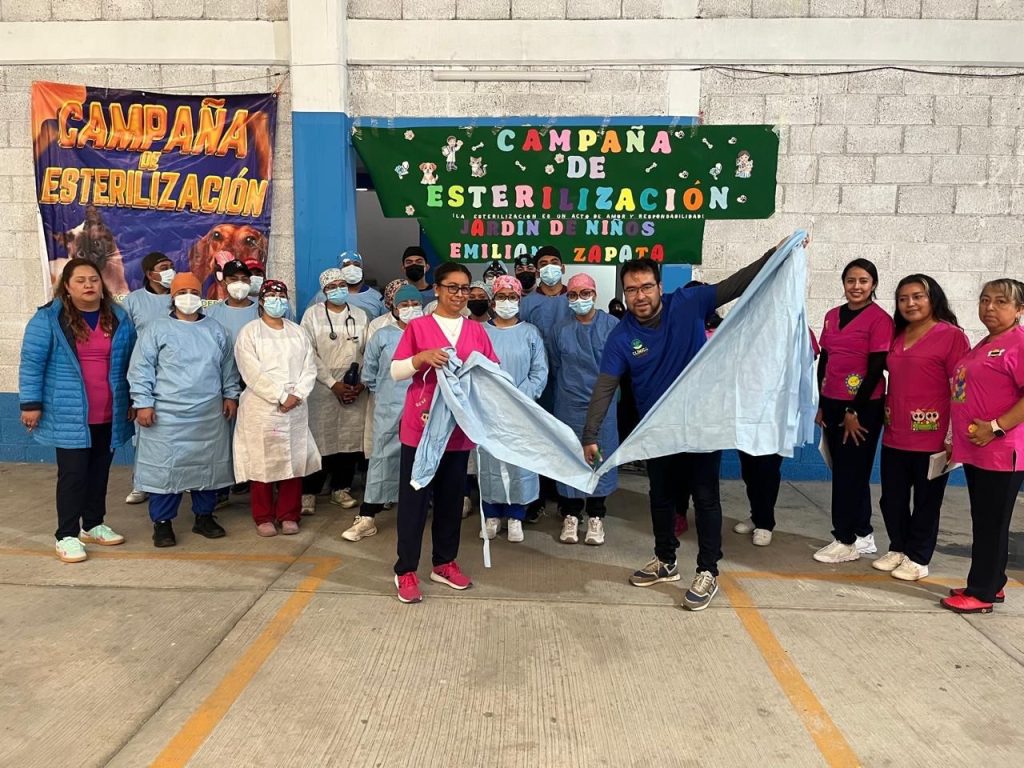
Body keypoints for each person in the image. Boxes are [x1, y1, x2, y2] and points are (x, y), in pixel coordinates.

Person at [582, 236, 801, 611]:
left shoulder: (688, 303)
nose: (639, 296)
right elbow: (605, 386)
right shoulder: (621, 337)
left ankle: (708, 571)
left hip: (701, 423)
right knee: (661, 497)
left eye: (646, 286)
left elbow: (738, 282)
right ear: (624, 293)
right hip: (658, 428)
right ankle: (665, 560)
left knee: (705, 497)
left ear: (659, 286)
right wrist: (590, 434)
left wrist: (778, 252)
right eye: (631, 289)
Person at [390, 262, 499, 603]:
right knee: (414, 502)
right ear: (436, 289)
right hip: (421, 428)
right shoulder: (419, 327)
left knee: (452, 501)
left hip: (457, 430)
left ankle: (444, 562)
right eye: (452, 287)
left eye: (465, 288)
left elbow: (493, 371)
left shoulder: (476, 331)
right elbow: (396, 371)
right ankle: (405, 569)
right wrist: (421, 358)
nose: (459, 294)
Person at [19, 258, 137, 562]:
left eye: (94, 280)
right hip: (69, 413)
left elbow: (131, 363)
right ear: (67, 287)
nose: (88, 285)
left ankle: (93, 524)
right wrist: (31, 404)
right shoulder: (48, 319)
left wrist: (133, 400)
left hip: (108, 412)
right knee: (73, 475)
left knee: (99, 472)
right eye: (81, 281)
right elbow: (31, 364)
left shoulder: (119, 317)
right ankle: (67, 535)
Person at [128, 272, 240, 547]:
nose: (188, 297)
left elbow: (228, 367)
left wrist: (230, 395)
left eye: (193, 292)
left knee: (207, 467)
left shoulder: (216, 330)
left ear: (201, 296)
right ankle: (162, 523)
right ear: (172, 297)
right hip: (166, 414)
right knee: (166, 470)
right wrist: (143, 402)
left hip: (208, 413)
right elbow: (141, 368)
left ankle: (204, 516)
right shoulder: (156, 330)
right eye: (181, 292)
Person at [872, 275, 970, 580]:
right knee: (892, 499)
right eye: (903, 298)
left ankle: (918, 557)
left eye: (918, 296)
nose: (910, 303)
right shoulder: (897, 334)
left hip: (934, 438)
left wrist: (953, 435)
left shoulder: (951, 336)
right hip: (895, 434)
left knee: (927, 502)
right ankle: (898, 547)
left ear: (932, 298)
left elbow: (961, 388)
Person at [941, 279, 1024, 614]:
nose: (990, 307)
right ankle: (993, 582)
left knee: (991, 523)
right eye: (985, 300)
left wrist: (995, 427)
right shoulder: (986, 343)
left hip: (1001, 451)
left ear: (1019, 310)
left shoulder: (1018, 344)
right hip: (977, 449)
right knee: (985, 519)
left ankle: (982, 593)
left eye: (1001, 302)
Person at [813, 258, 894, 564]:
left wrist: (853, 410)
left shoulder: (880, 320)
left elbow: (875, 369)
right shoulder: (832, 316)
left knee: (850, 473)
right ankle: (863, 533)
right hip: (832, 402)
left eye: (863, 281)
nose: (856, 286)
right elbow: (825, 359)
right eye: (851, 280)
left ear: (873, 284)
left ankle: (844, 540)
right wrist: (821, 403)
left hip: (862, 406)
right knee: (846, 470)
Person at [232, 280, 320, 536]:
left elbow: (309, 367)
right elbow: (251, 371)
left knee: (293, 461)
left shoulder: (297, 332)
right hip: (263, 407)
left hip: (295, 407)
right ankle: (263, 516)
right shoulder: (250, 332)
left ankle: (289, 514)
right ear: (261, 301)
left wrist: (297, 394)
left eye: (281, 296)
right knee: (262, 462)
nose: (277, 300)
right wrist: (280, 396)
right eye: (271, 295)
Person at [343, 284, 424, 542]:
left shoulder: (430, 333)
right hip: (390, 408)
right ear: (393, 308)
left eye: (415, 304)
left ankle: (418, 513)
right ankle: (368, 515)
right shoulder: (382, 336)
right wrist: (391, 396)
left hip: (424, 408)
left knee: (423, 458)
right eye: (404, 305)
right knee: (382, 457)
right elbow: (370, 375)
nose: (410, 309)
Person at [478, 275, 548, 543]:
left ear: (519, 300)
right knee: (490, 460)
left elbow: (539, 372)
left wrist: (519, 397)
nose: (506, 302)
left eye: (512, 297)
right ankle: (492, 514)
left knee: (520, 461)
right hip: (488, 408)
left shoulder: (530, 333)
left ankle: (516, 515)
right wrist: (491, 397)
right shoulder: (481, 332)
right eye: (501, 297)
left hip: (522, 409)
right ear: (492, 301)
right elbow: (473, 369)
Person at [553, 273, 618, 546]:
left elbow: (619, 365)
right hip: (568, 403)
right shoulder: (561, 329)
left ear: (594, 294)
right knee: (570, 457)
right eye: (573, 294)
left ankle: (596, 515)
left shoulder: (611, 326)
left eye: (585, 293)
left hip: (602, 404)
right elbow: (557, 363)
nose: (579, 299)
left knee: (599, 458)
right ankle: (571, 514)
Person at [300, 268, 371, 515]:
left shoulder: (360, 315)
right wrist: (332, 383)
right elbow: (308, 352)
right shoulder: (312, 315)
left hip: (354, 385)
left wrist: (360, 383)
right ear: (324, 290)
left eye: (342, 285)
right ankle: (309, 491)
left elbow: (368, 352)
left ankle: (341, 488)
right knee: (320, 438)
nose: (338, 290)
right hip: (322, 387)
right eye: (332, 287)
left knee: (349, 440)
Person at [119, 250, 176, 505]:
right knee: (144, 434)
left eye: (171, 266)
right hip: (145, 376)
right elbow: (125, 341)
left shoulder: (180, 298)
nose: (169, 271)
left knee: (177, 433)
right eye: (163, 267)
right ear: (149, 273)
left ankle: (179, 479)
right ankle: (142, 483)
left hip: (176, 377)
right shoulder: (134, 301)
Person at [206, 259, 261, 501]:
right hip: (222, 385)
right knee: (222, 437)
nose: (239, 284)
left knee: (254, 435)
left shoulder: (262, 309)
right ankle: (221, 487)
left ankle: (249, 481)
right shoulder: (212, 313)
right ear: (223, 282)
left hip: (258, 384)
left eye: (244, 279)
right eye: (233, 279)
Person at [306, 251, 386, 319]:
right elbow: (309, 320)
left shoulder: (377, 297)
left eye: (356, 264)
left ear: (361, 269)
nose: (352, 268)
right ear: (339, 270)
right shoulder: (323, 295)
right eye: (346, 265)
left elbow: (385, 323)